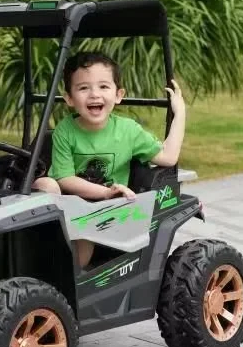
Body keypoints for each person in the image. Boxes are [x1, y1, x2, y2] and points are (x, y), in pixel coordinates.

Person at [36, 51, 186, 268]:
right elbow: (65, 179)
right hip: (71, 205)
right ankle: (37, 254)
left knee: (84, 232)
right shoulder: (64, 131)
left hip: (107, 209)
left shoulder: (128, 131)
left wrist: (180, 113)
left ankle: (68, 282)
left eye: (103, 87)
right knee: (45, 184)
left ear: (118, 94)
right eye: (83, 88)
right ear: (69, 98)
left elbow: (168, 157)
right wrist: (104, 191)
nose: (94, 95)